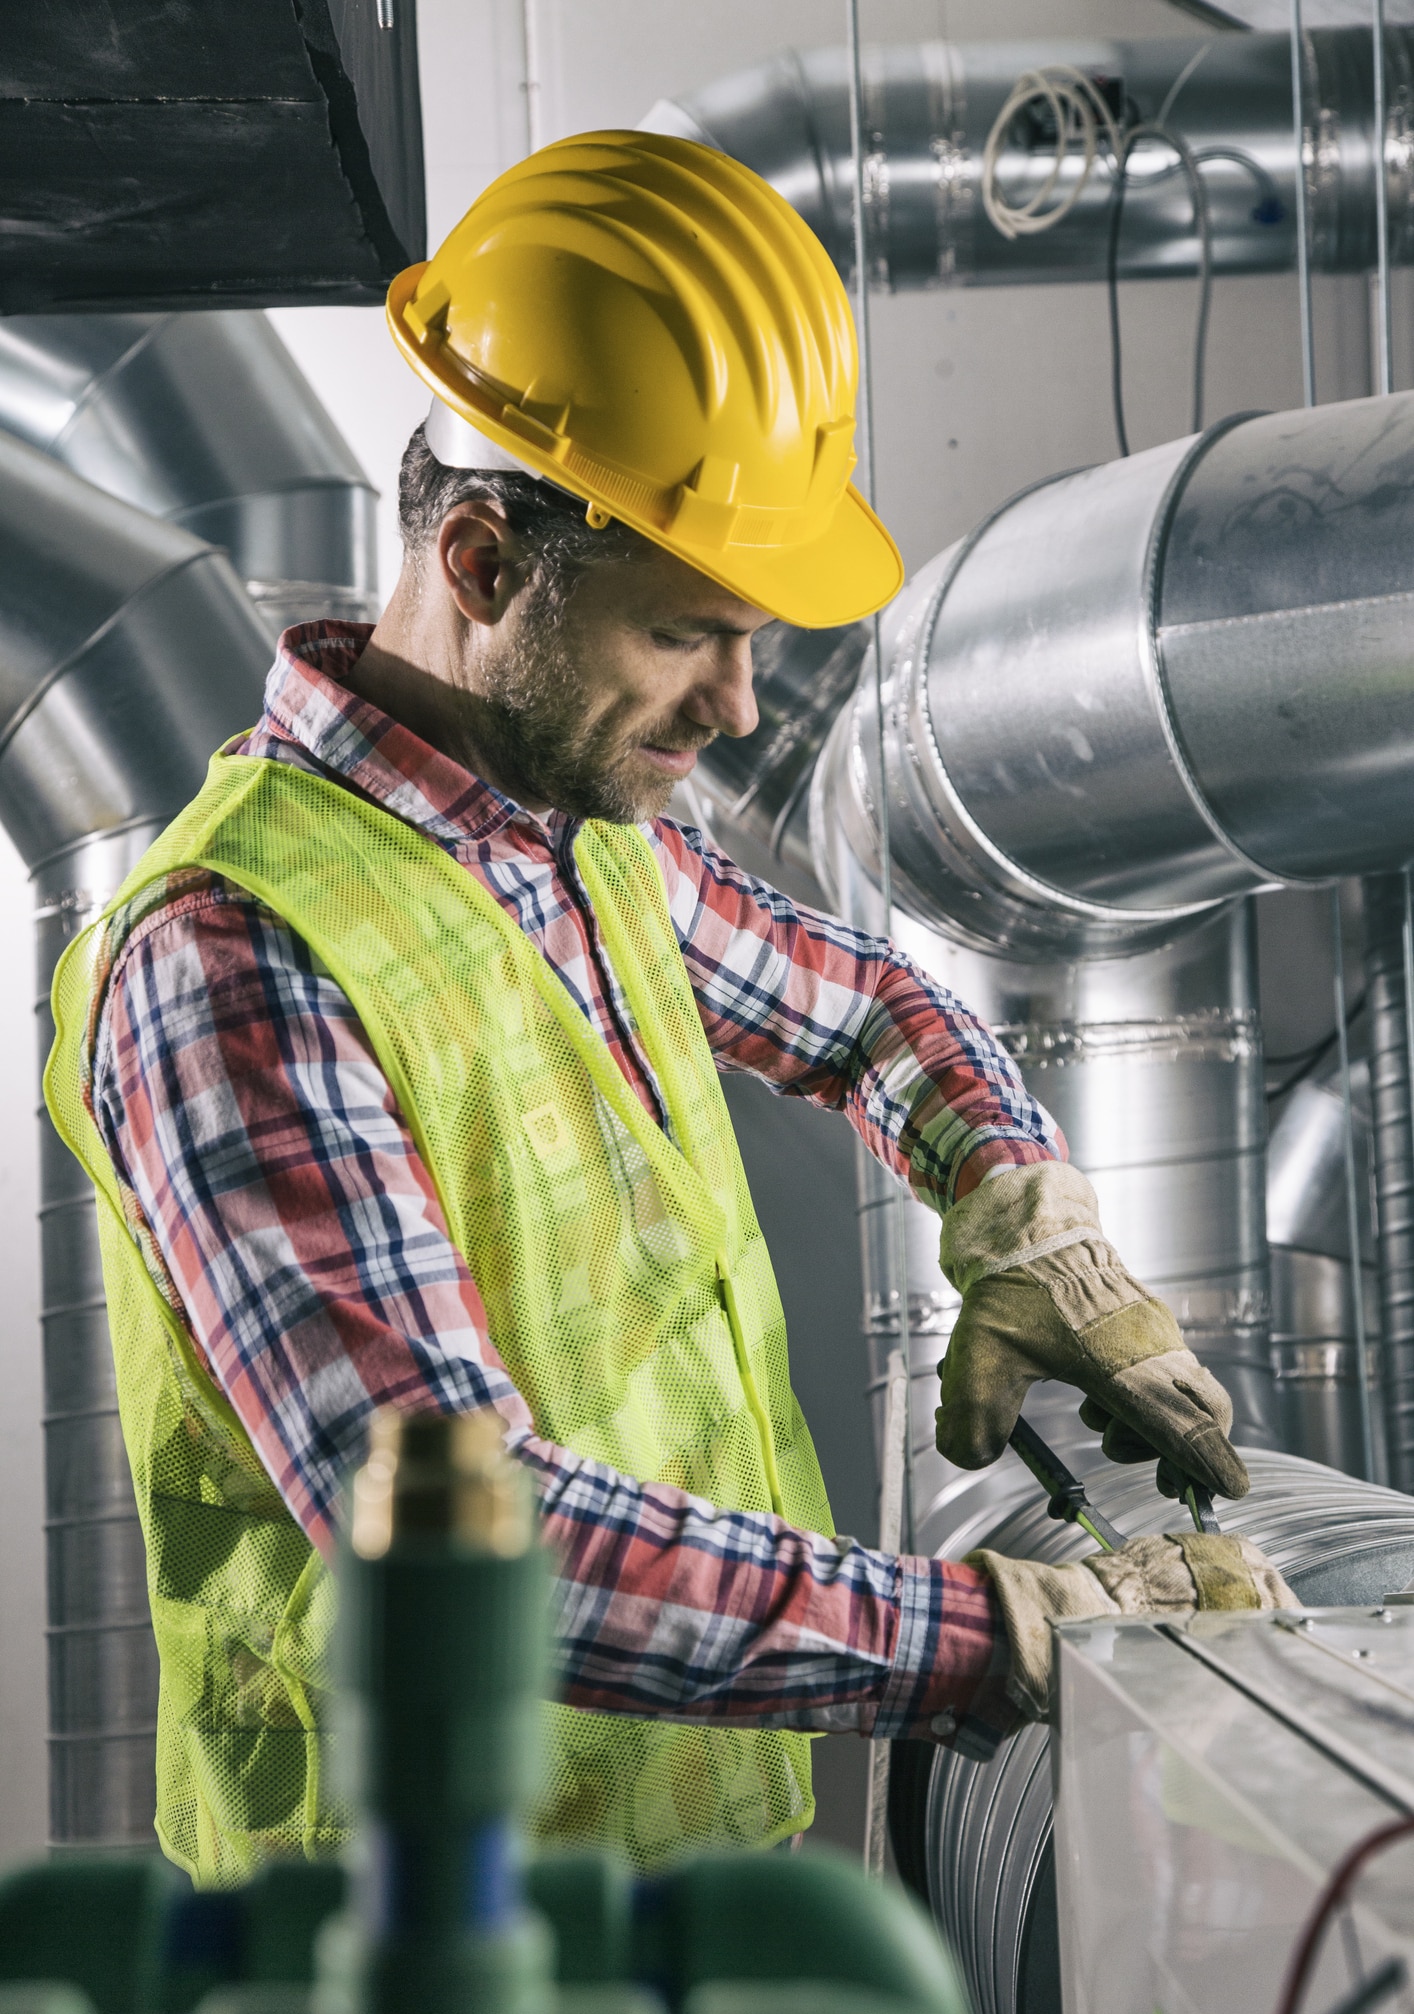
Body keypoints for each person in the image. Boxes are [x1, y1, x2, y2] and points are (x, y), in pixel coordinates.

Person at [46, 131, 1288, 1890]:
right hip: (412, 1976)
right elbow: (454, 1540)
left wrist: (1025, 1218)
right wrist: (998, 1630)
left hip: (687, 1881)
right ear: (480, 560)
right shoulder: (237, 957)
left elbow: (865, 1009)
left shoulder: (571, 833)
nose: (734, 698)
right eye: (686, 633)